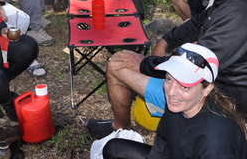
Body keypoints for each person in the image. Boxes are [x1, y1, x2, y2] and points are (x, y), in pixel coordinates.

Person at [87, 0, 247, 138]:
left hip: (217, 100)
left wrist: (148, 64)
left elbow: (195, 68)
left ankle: (121, 130)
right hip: (210, 83)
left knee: (118, 63)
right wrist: (167, 40)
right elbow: (201, 20)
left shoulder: (239, 9)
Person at [102, 43, 247, 159]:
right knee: (113, 148)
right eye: (169, 79)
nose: (171, 92)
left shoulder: (215, 143)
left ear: (207, 89)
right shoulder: (180, 105)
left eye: (184, 86)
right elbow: (162, 144)